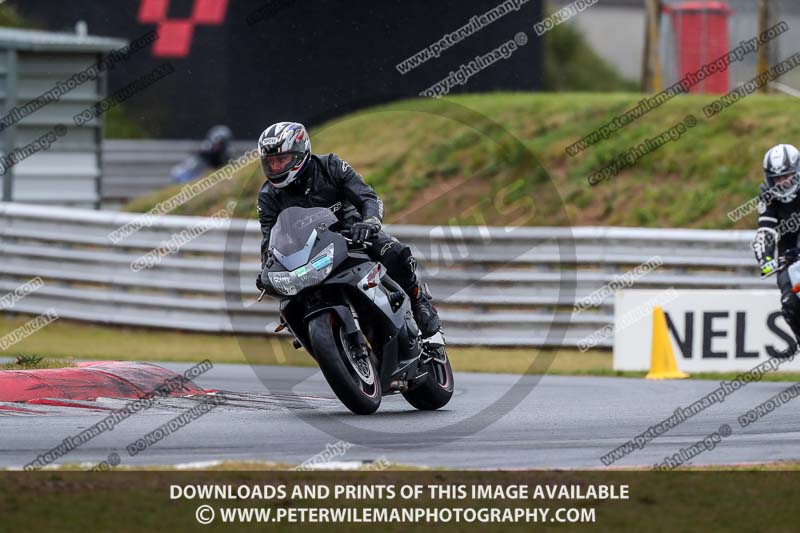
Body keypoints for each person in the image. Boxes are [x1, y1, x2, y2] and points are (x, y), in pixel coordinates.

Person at [254, 121, 442, 337]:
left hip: (352, 235)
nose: (275, 168)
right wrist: (267, 270)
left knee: (395, 252)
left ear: (300, 153)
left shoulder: (331, 166)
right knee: (289, 303)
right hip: (309, 253)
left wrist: (370, 222)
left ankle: (418, 300)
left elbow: (368, 197)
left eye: (281, 160)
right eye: (270, 162)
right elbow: (270, 239)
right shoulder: (268, 196)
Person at [753, 144, 800, 343]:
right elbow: (765, 231)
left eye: (786, 176)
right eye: (776, 178)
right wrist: (766, 259)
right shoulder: (768, 197)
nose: (781, 182)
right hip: (789, 257)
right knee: (790, 304)